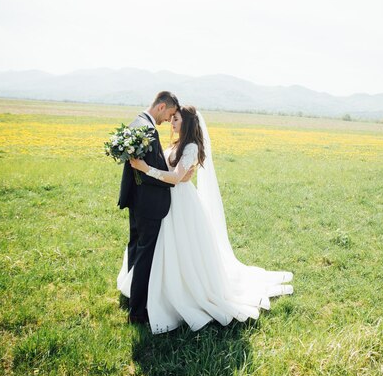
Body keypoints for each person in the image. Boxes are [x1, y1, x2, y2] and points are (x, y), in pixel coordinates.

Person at [118, 106, 293, 333]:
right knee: (164, 248)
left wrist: (145, 168)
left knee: (181, 249)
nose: (171, 122)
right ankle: (156, 291)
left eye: (176, 119)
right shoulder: (175, 144)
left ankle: (178, 294)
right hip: (166, 202)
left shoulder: (190, 146)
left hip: (181, 203)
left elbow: (175, 178)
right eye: (171, 118)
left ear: (188, 122)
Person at [117, 91, 191, 324]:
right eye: (169, 114)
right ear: (161, 107)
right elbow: (147, 169)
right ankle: (138, 312)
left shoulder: (135, 122)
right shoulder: (148, 130)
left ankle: (131, 295)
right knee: (144, 255)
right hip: (148, 202)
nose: (169, 120)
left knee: (135, 247)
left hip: (135, 199)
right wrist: (174, 176)